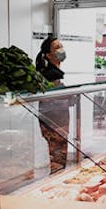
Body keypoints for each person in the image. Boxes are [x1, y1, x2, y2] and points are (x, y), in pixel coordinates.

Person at [35, 36, 70, 173]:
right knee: (58, 155)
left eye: (61, 45)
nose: (61, 49)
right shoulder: (51, 73)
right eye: (56, 47)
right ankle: (57, 177)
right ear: (48, 55)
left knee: (56, 153)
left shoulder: (52, 72)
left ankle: (57, 174)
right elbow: (57, 97)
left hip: (51, 117)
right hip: (54, 119)